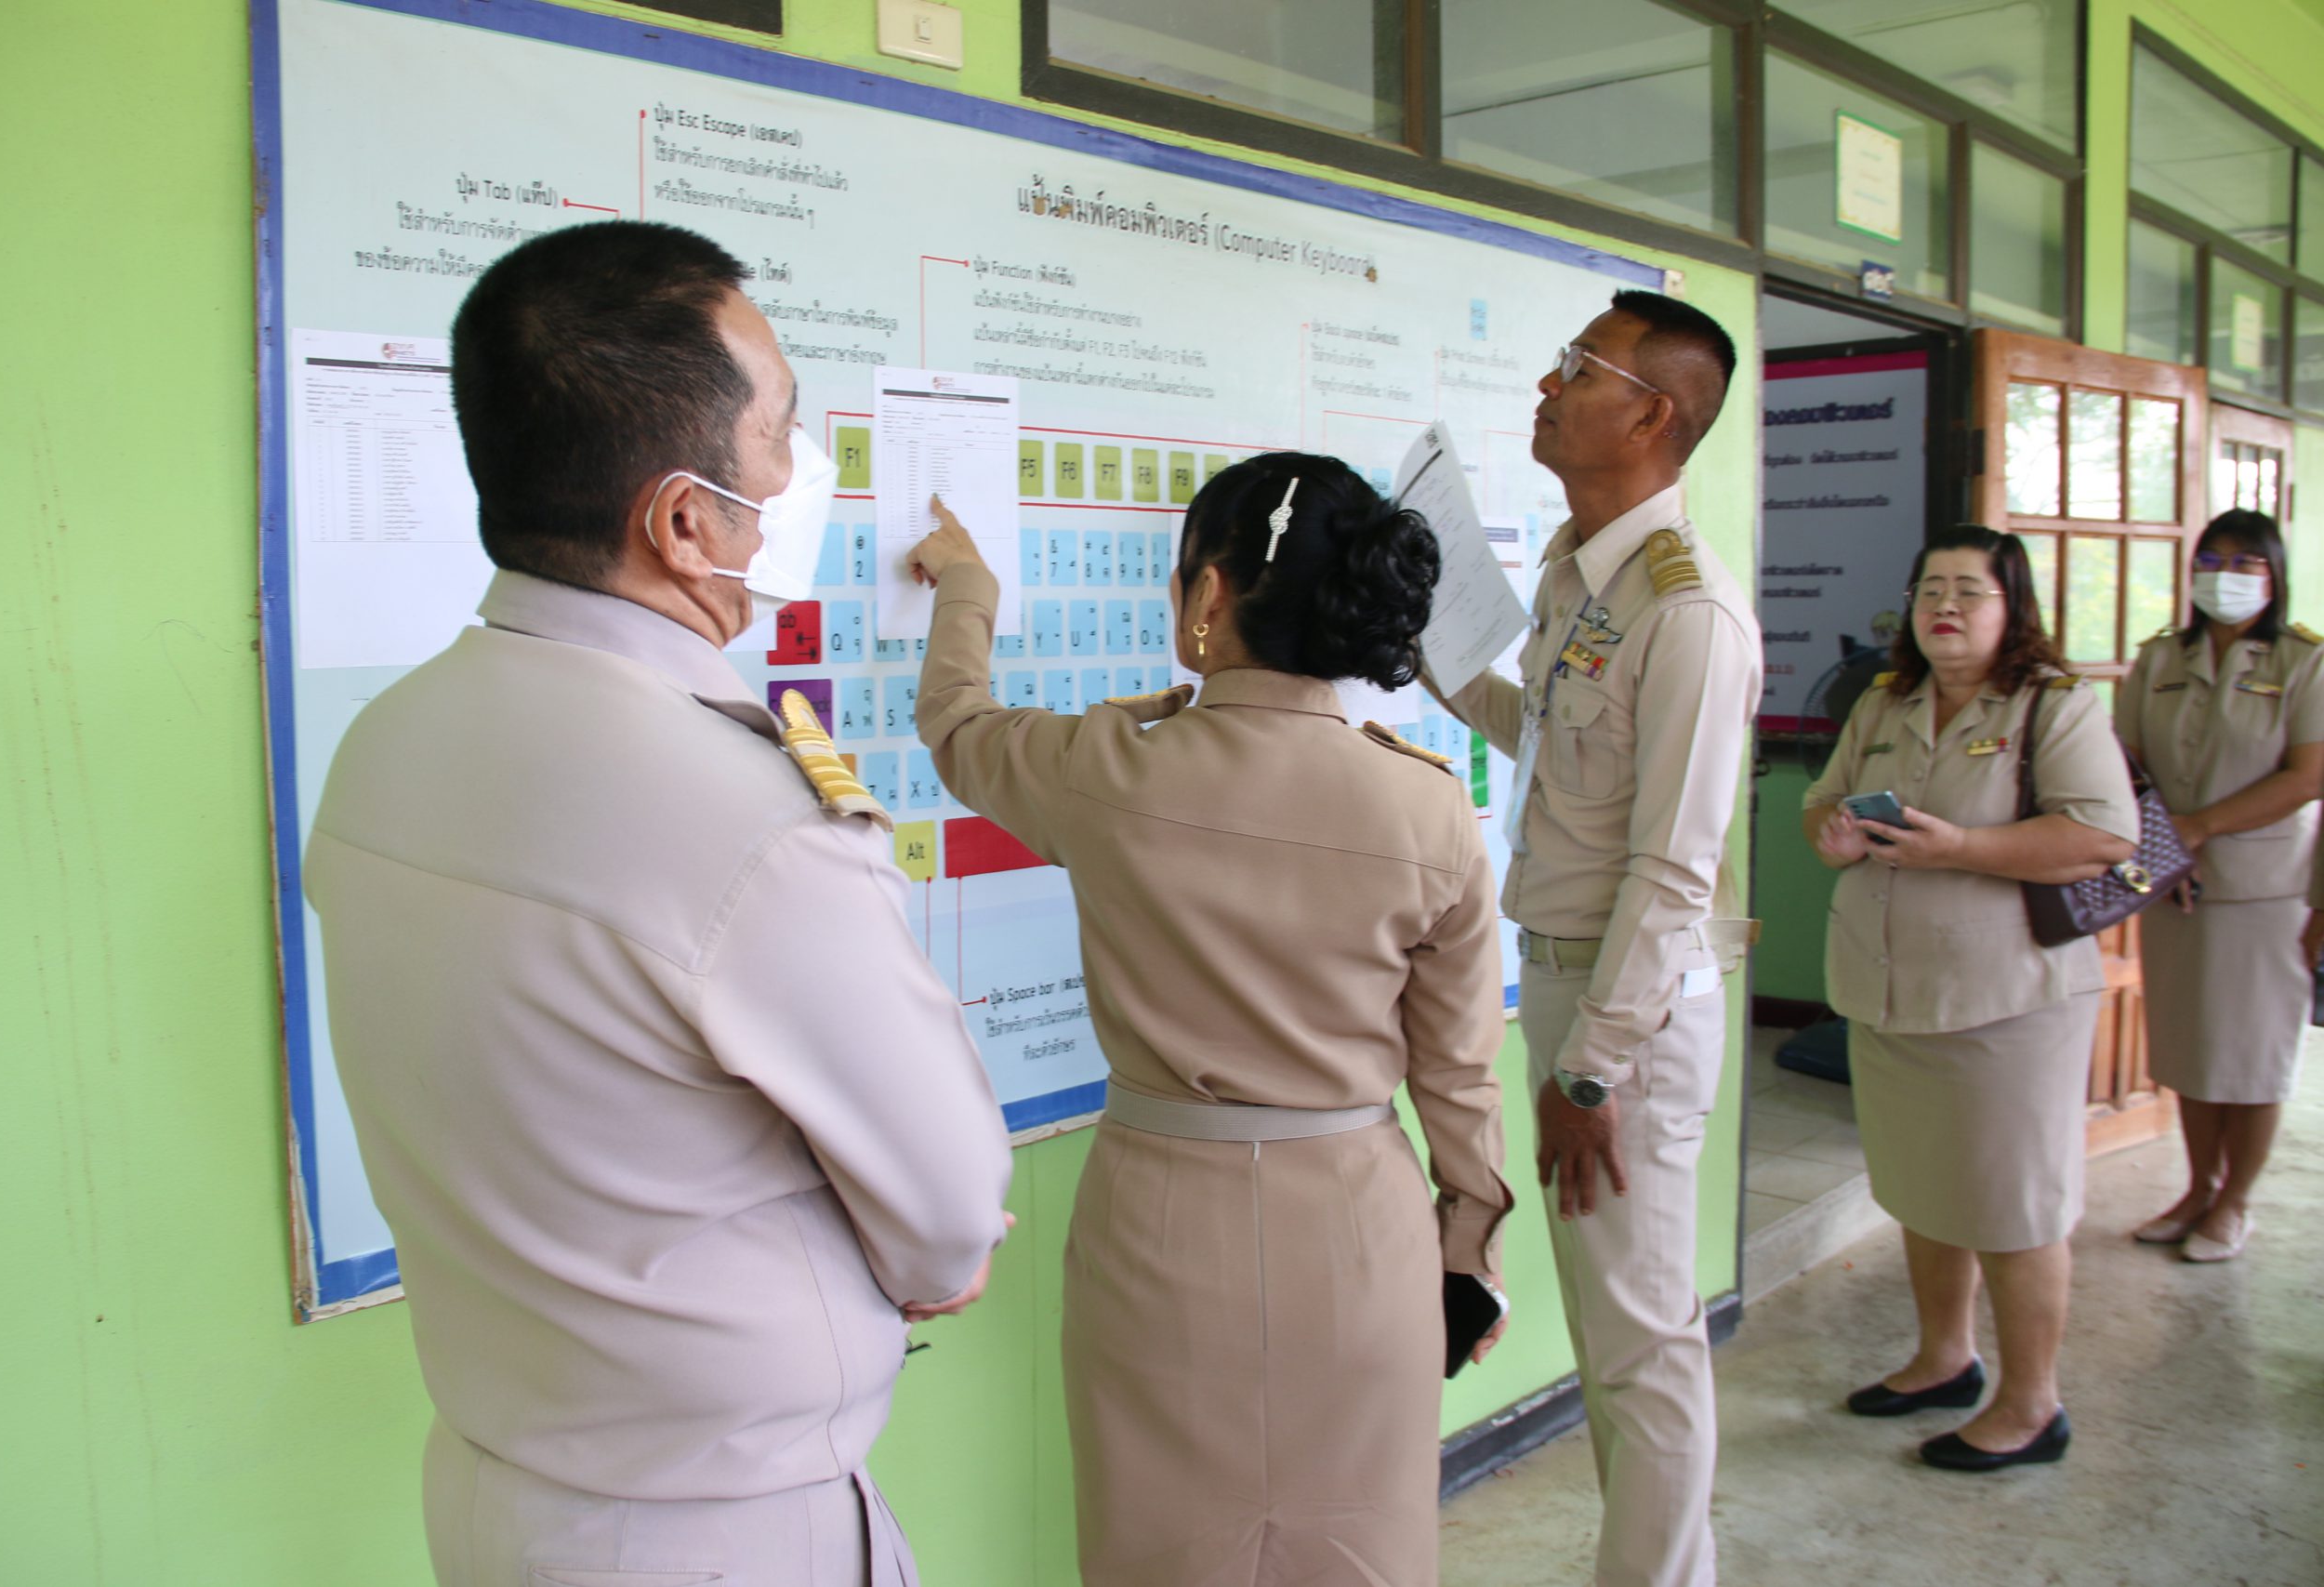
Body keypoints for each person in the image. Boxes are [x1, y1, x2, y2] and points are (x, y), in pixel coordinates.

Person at [303, 220, 1014, 1587]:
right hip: (725, 1531)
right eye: (783, 431)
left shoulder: (389, 739)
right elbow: (947, 1208)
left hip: (497, 1490)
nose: (801, 470)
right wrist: (937, 1246)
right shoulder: (745, 821)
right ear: (686, 521)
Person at [906, 452, 1513, 1587]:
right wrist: (1468, 1252)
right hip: (1362, 1231)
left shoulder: (1104, 770)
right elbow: (1458, 1071)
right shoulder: (1429, 807)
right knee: (1359, 1551)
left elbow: (955, 721)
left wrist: (968, 587)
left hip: (1159, 1222)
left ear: (1211, 594)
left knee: (1160, 1546)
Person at [1433, 289, 1757, 1587]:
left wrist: (1588, 1072)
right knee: (1618, 1332)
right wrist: (1431, 652)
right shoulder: (1582, 569)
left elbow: (1672, 869)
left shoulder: (1687, 610)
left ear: (1650, 413)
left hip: (1629, 1019)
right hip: (1578, 990)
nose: (1547, 387)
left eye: (1577, 369)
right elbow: (1553, 746)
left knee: (1641, 1343)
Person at [1803, 526, 2138, 1473]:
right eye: (1929, 590)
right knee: (1926, 1187)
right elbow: (1822, 801)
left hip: (2008, 1004)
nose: (1944, 606)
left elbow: (2104, 836)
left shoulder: (2052, 704)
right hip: (1890, 990)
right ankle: (1943, 1358)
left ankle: (2033, 1405)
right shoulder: (1886, 700)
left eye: (1969, 590)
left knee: (2013, 1207)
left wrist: (1962, 848)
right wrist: (1830, 833)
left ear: (2011, 605)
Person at [2119, 509, 2324, 1263]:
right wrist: (2162, 846)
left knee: (2253, 1057)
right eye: (2211, 559)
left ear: (2273, 574)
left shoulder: (2303, 662)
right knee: (2190, 1051)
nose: (2225, 576)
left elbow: (2308, 776)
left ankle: (2236, 1202)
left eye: (2245, 562)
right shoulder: (2159, 658)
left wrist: (2198, 827)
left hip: (2265, 892)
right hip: (2175, 886)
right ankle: (2197, 1187)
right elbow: (2123, 766)